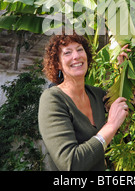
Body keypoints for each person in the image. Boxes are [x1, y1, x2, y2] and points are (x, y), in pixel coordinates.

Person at [39, 33, 130, 171]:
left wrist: (124, 70)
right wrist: (111, 125)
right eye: (67, 52)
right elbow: (71, 164)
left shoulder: (97, 95)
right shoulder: (53, 99)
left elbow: (128, 110)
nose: (76, 56)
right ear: (58, 64)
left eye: (80, 49)